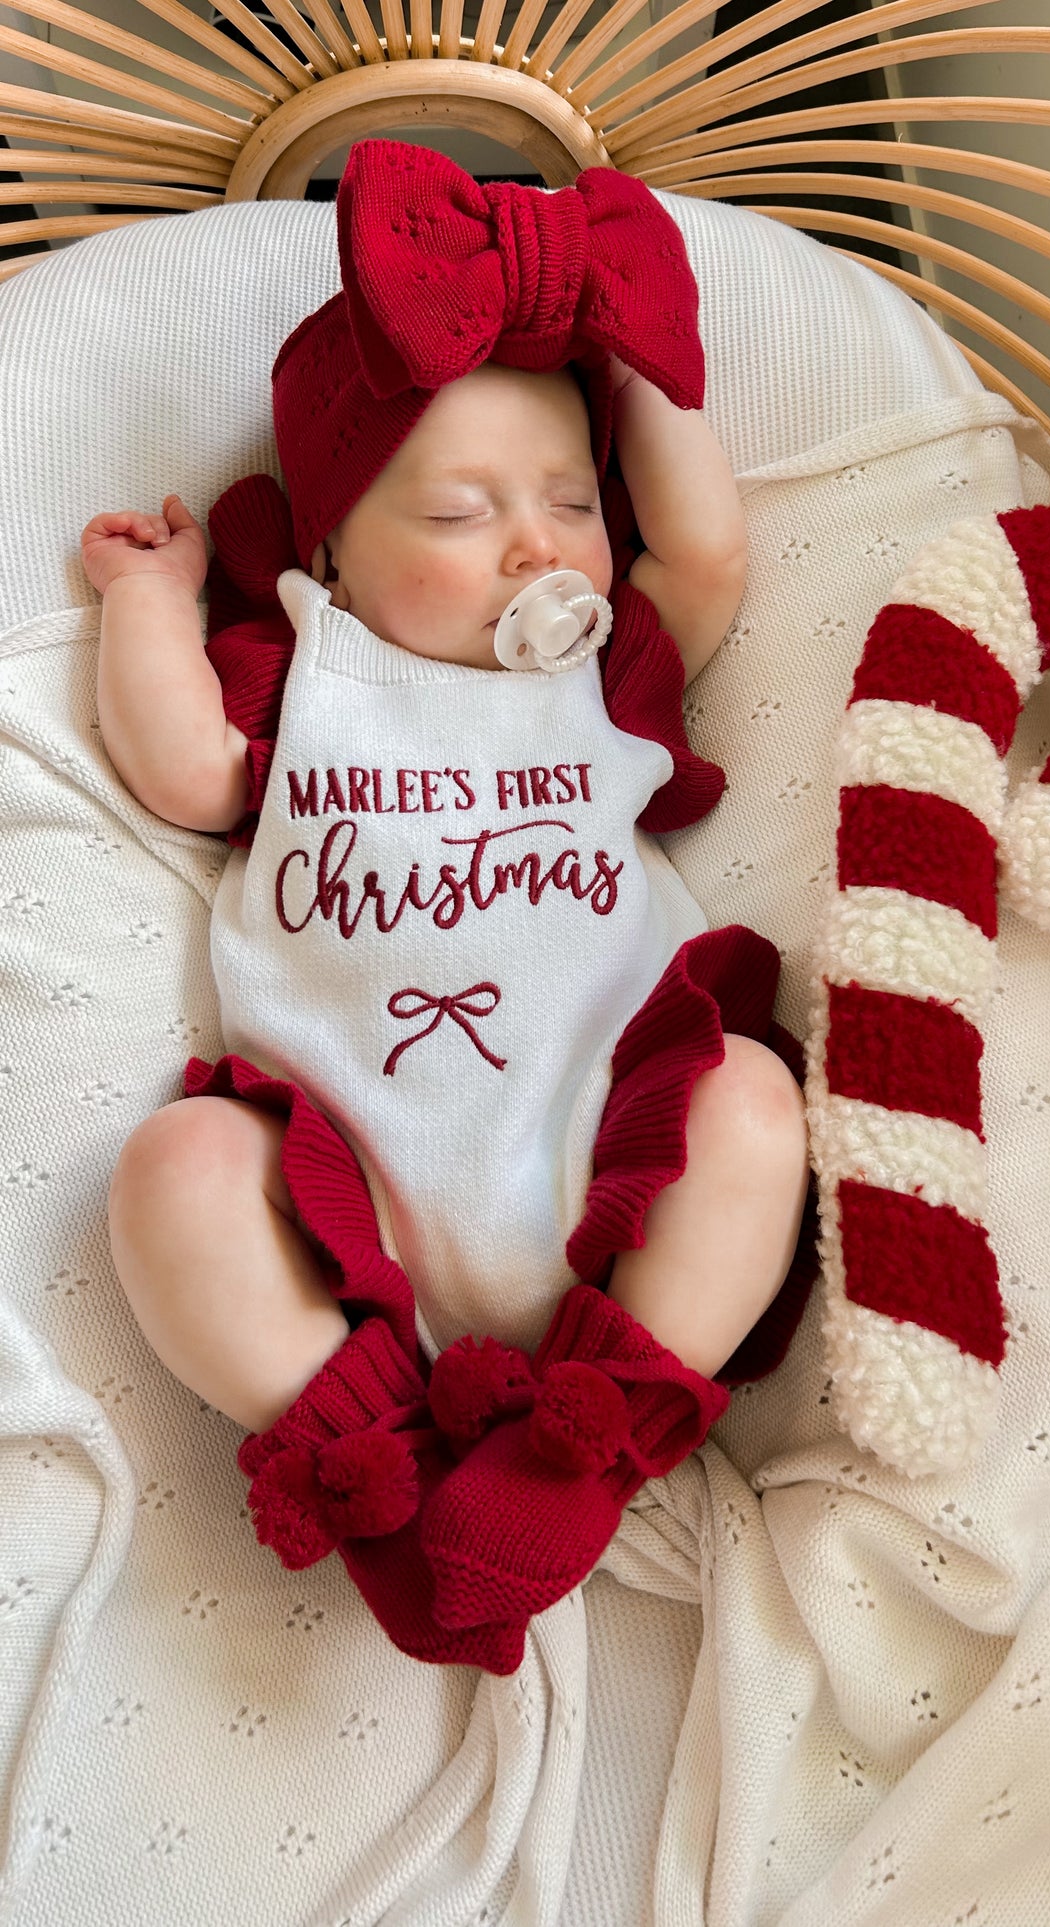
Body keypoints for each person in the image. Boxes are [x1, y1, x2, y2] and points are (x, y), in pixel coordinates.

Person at [82, 141, 811, 1674]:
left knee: (749, 1106)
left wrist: (639, 356)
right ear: (335, 551)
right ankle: (381, 1469)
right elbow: (189, 776)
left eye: (565, 497)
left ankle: (579, 1458)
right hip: (344, 1181)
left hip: (609, 1132)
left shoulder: (600, 676)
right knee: (173, 1172)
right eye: (462, 512)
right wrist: (152, 603)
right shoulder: (308, 677)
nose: (538, 543)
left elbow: (709, 549)